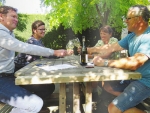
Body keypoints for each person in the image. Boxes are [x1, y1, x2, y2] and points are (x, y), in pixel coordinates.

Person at [0, 6, 70, 113]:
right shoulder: (1, 34)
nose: (16, 19)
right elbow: (24, 47)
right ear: (1, 17)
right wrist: (54, 52)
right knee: (35, 103)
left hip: (11, 75)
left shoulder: (9, 34)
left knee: (47, 87)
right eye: (13, 16)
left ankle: (25, 106)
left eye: (17, 17)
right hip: (2, 79)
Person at [88, 5, 150, 113]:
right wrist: (90, 50)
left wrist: (105, 62)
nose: (126, 21)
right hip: (134, 77)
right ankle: (131, 102)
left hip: (145, 81)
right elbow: (110, 48)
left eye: (128, 18)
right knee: (107, 85)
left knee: (113, 108)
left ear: (139, 19)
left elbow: (134, 63)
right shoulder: (132, 36)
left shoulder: (148, 37)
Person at [14, 20, 56, 112]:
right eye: (41, 29)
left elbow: (45, 54)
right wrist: (59, 54)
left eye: (44, 29)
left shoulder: (38, 41)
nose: (43, 31)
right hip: (19, 75)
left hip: (26, 71)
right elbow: (31, 63)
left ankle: (37, 105)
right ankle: (30, 106)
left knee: (50, 85)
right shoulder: (32, 42)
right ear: (34, 30)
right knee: (49, 87)